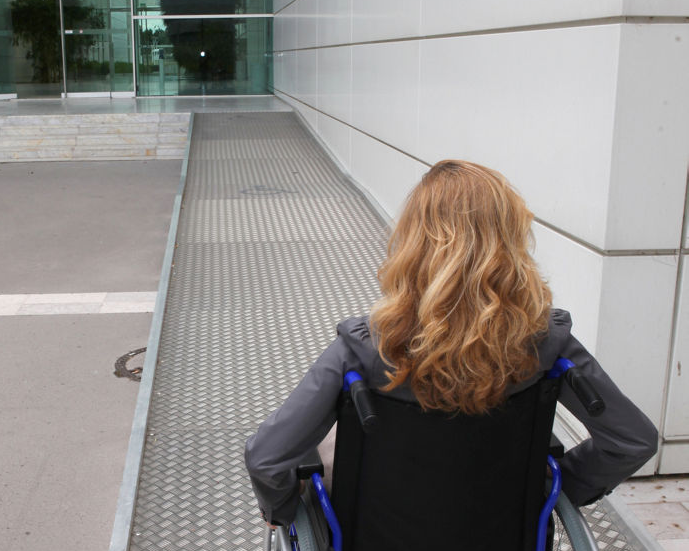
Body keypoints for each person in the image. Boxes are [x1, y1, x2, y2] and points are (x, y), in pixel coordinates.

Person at [245, 159, 658, 527]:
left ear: (413, 244)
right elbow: (632, 440)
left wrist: (284, 510)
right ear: (511, 243)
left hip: (377, 534)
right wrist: (557, 488)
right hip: (498, 524)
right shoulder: (547, 342)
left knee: (327, 445)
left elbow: (267, 458)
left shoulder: (365, 348)